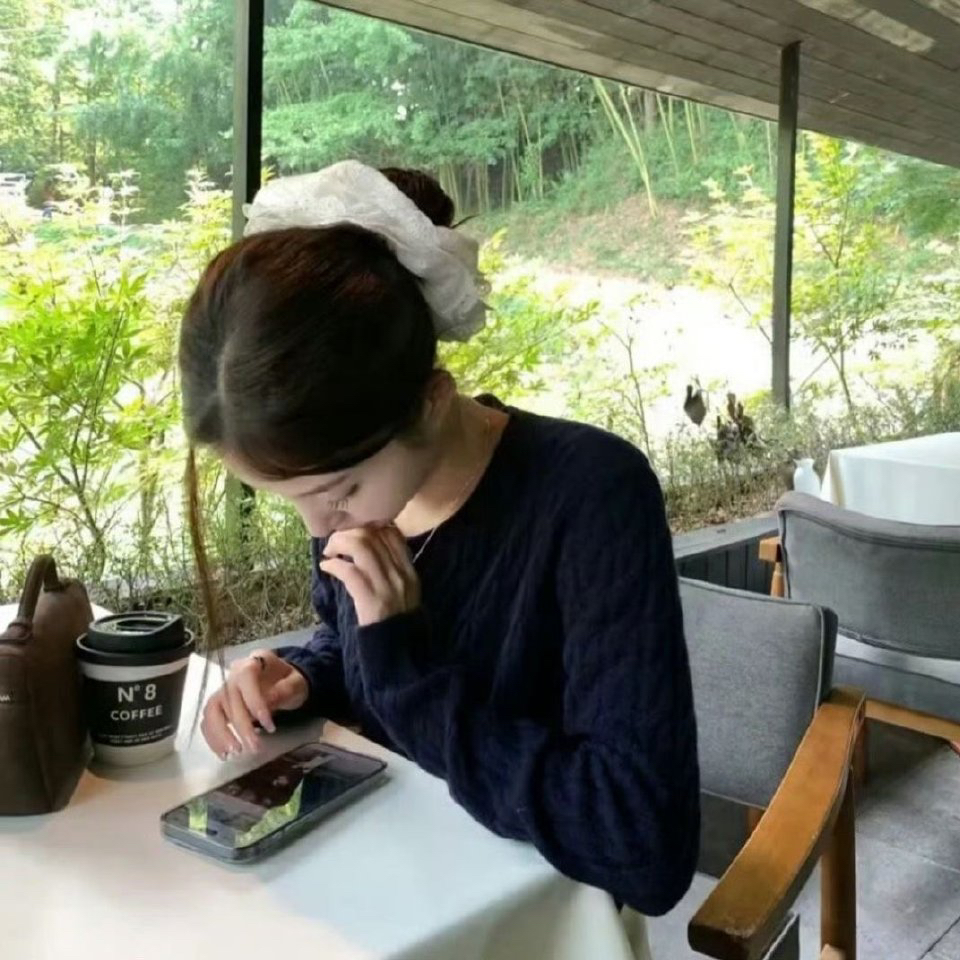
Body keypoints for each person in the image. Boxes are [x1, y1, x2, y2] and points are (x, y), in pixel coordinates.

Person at [178, 160, 699, 918]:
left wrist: (405, 673)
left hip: (527, 922)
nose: (320, 529)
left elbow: (642, 841)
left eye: (337, 492)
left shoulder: (589, 494)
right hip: (386, 892)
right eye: (290, 503)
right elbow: (356, 650)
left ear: (430, 402)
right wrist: (304, 676)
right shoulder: (356, 489)